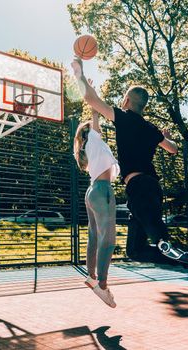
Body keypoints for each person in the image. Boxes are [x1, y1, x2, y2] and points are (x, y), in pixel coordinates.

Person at [71, 57, 188, 317]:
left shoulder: (124, 118)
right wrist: (162, 137)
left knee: (162, 243)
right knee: (135, 250)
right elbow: (174, 149)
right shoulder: (149, 127)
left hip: (142, 187)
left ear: (127, 101)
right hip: (142, 189)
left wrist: (80, 73)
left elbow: (91, 99)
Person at [73, 108, 120, 308]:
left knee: (94, 237)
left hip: (93, 191)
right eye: (96, 127)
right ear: (91, 130)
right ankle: (102, 283)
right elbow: (95, 122)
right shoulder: (93, 138)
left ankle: (91, 275)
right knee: (108, 240)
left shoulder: (90, 145)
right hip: (102, 190)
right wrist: (94, 110)